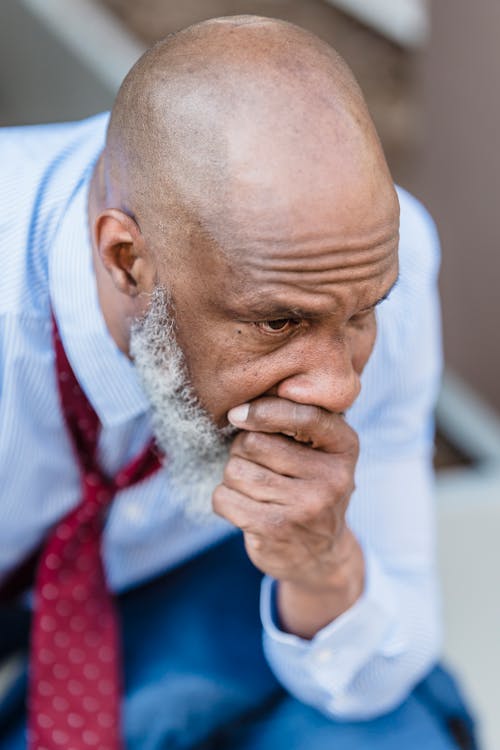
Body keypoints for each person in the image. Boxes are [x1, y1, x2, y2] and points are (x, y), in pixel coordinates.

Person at [0, 15, 476, 750]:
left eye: (362, 315)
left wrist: (323, 564)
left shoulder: (368, 263)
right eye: (278, 324)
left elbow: (384, 657)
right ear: (127, 260)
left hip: (179, 588)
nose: (337, 389)